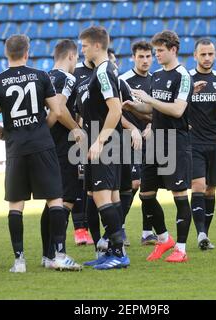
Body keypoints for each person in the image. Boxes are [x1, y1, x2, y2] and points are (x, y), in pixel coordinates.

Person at [0, 34, 83, 272]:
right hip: (41, 145)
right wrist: (41, 130)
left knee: (16, 204)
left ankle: (19, 261)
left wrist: (4, 131)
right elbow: (57, 111)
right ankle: (58, 255)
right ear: (27, 52)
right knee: (55, 198)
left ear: (6, 53)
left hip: (16, 147)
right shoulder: (41, 76)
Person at [124, 30, 206, 263]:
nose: (155, 55)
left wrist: (147, 99)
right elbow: (153, 109)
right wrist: (134, 107)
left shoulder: (183, 76)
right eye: (155, 50)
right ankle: (164, 239)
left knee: (179, 195)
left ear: (173, 50)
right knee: (146, 195)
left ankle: (180, 248)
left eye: (159, 51)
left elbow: (178, 109)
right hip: (156, 141)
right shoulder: (157, 75)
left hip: (175, 142)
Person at [78, 26, 130, 270]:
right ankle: (112, 250)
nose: (82, 49)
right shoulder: (104, 70)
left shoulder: (103, 71)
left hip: (106, 143)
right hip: (107, 142)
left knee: (102, 196)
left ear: (97, 46)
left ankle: (118, 253)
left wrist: (99, 141)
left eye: (85, 45)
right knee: (110, 196)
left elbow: (115, 109)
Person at [40, 39, 86, 266]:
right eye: (76, 57)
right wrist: (76, 128)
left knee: (52, 201)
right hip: (63, 146)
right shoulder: (67, 78)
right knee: (65, 200)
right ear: (71, 56)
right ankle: (59, 254)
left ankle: (47, 255)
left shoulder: (45, 76)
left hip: (47, 147)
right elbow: (59, 109)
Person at [187, 38, 216, 250]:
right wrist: (189, 95)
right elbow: (176, 109)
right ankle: (201, 234)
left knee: (211, 190)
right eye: (203, 54)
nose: (207, 58)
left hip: (215, 140)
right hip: (193, 141)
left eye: (211, 54)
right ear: (195, 55)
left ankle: (205, 233)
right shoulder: (186, 79)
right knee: (198, 186)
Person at [118, 40, 157, 246]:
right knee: (132, 183)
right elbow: (116, 111)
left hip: (152, 140)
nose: (145, 60)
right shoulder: (123, 81)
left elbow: (158, 110)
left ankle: (146, 232)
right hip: (128, 140)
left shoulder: (156, 80)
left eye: (148, 56)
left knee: (149, 185)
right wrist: (132, 129)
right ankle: (119, 228)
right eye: (141, 56)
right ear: (133, 58)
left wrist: (152, 125)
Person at [70, 57, 95, 246]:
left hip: (103, 139)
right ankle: (79, 229)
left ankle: (95, 228)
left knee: (97, 186)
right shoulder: (75, 74)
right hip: (78, 137)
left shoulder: (106, 72)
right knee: (79, 182)